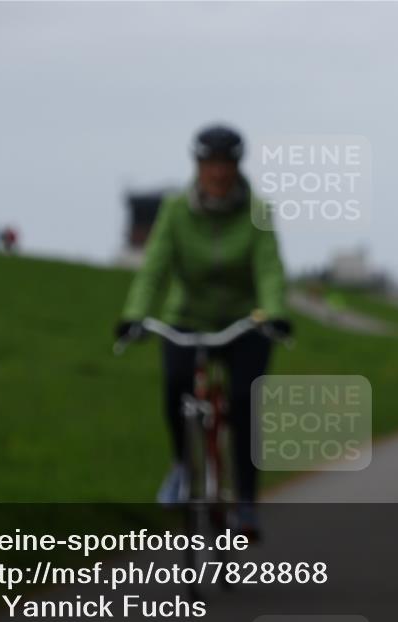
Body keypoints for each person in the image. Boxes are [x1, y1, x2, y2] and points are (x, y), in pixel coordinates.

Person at [116, 125, 291, 533]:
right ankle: (181, 466)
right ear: (197, 167)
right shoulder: (175, 210)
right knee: (176, 384)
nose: (218, 173)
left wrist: (275, 312)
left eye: (226, 164)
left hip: (242, 321)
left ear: (236, 167)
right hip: (186, 318)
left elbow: (269, 268)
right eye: (210, 164)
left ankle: (245, 501)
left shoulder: (257, 212)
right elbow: (154, 269)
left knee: (245, 399)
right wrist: (134, 314)